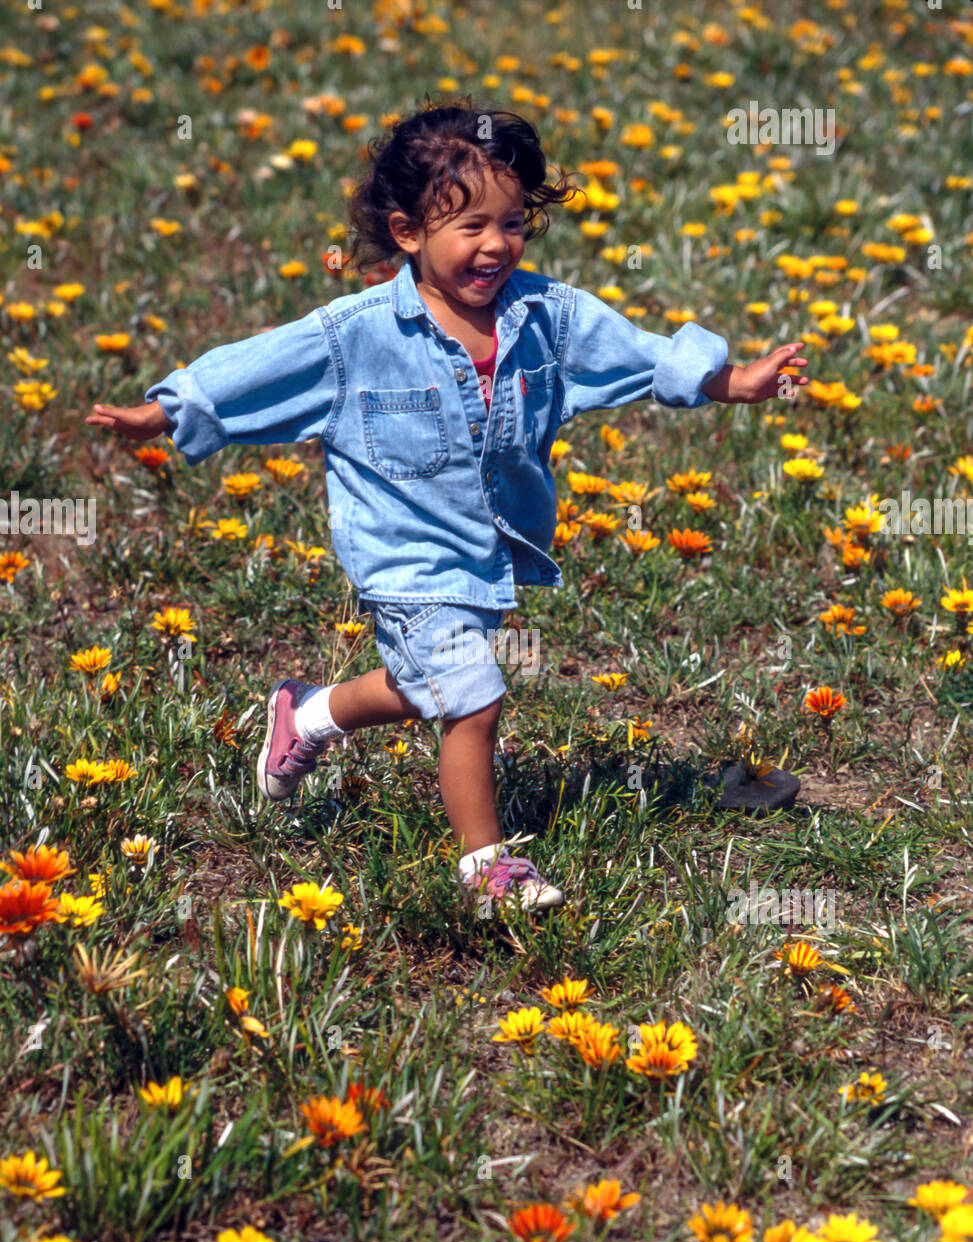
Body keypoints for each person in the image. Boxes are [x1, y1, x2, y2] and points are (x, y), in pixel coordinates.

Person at [86, 97, 808, 916]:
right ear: (406, 232)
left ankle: (309, 713)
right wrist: (171, 409)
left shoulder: (546, 316)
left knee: (427, 682)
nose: (495, 245)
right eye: (468, 227)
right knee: (473, 691)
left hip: (488, 549)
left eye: (512, 224)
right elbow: (258, 369)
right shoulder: (354, 334)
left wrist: (728, 380)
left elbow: (640, 357)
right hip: (401, 554)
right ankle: (489, 871)